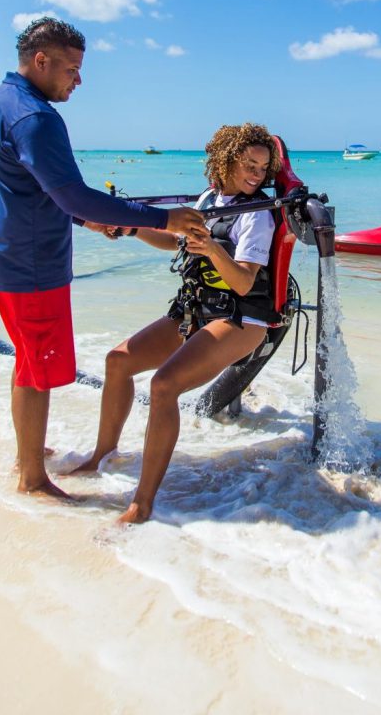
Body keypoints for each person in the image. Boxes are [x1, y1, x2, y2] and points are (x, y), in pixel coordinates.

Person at [0, 16, 204, 500]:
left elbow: (37, 190)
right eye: (72, 69)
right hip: (31, 264)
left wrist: (87, 220)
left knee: (27, 364)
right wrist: (165, 220)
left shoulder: (1, 101)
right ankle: (33, 481)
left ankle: (26, 456)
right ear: (42, 60)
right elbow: (74, 195)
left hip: (4, 253)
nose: (78, 80)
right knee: (39, 373)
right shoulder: (35, 117)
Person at [74, 123, 282, 523]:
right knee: (118, 361)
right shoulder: (210, 198)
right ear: (225, 160)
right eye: (249, 164)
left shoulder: (257, 216)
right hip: (196, 309)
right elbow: (175, 242)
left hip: (242, 317)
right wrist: (134, 229)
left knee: (163, 385)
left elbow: (241, 281)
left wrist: (212, 249)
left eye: (263, 168)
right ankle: (101, 455)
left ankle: (142, 502)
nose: (257, 175)